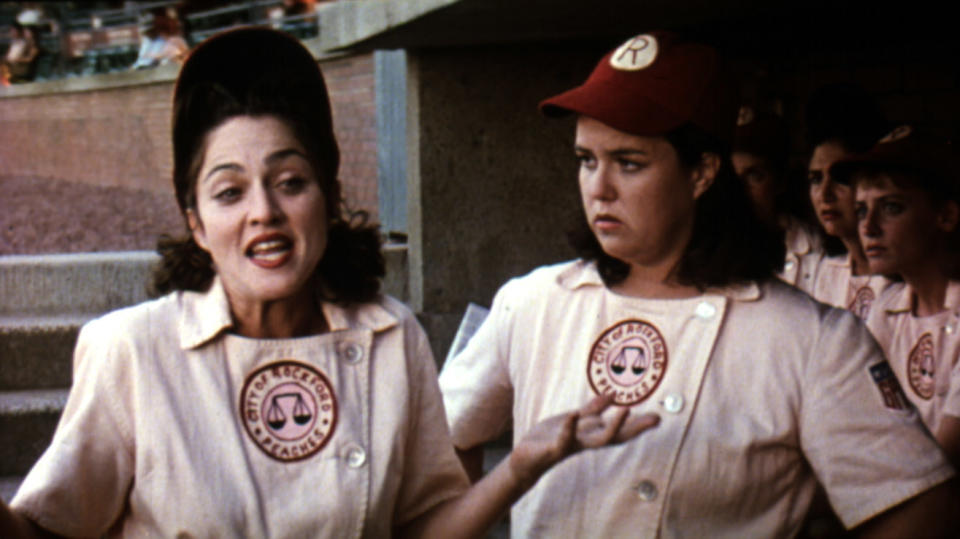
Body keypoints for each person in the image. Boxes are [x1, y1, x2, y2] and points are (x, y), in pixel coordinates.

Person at [0, 28, 658, 538]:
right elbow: (46, 529)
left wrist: (523, 461)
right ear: (196, 223)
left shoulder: (390, 335)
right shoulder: (131, 351)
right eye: (230, 192)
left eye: (291, 181)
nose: (265, 211)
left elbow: (425, 527)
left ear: (328, 194)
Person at [439, 31, 956, 537]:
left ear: (703, 172)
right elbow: (442, 445)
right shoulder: (532, 303)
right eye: (586, 160)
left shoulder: (810, 339)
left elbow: (921, 509)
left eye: (629, 163)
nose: (599, 189)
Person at [834, 125, 960, 468]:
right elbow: (855, 420)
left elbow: (942, 462)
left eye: (891, 208)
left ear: (945, 216)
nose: (868, 227)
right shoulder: (888, 306)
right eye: (861, 210)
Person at [805, 83, 892, 319]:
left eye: (839, 179)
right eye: (815, 179)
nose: (825, 194)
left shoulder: (905, 279)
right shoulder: (823, 274)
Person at [732, 106, 823, 291]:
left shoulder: (817, 253)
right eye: (730, 177)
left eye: (754, 176)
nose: (738, 190)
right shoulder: (698, 253)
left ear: (780, 181)